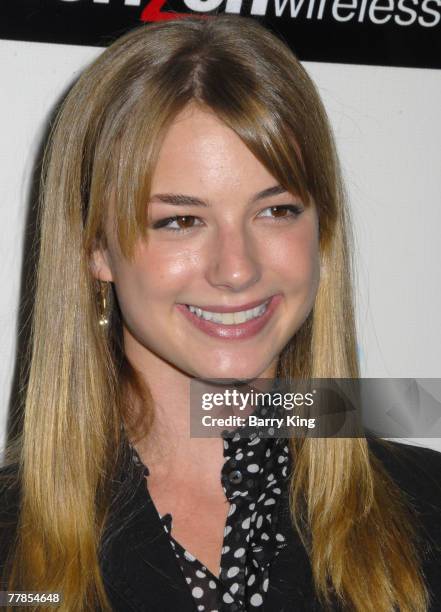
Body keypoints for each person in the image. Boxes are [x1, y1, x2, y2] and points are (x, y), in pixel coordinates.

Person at [1, 14, 440, 612]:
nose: (236, 269)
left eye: (276, 210)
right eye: (181, 220)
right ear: (95, 249)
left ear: (323, 232)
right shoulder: (10, 546)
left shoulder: (428, 507)